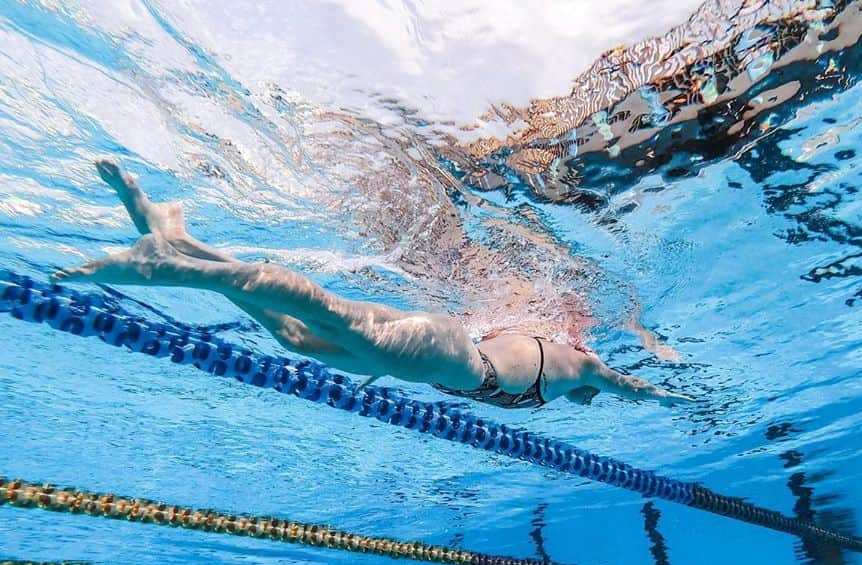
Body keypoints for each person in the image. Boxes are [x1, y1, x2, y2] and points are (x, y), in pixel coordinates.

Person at [55, 160, 691, 409]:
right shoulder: (584, 363)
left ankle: (177, 238)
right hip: (456, 359)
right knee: (325, 309)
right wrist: (672, 398)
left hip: (447, 359)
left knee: (299, 339)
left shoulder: (558, 363)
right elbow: (628, 386)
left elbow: (608, 392)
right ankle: (164, 266)